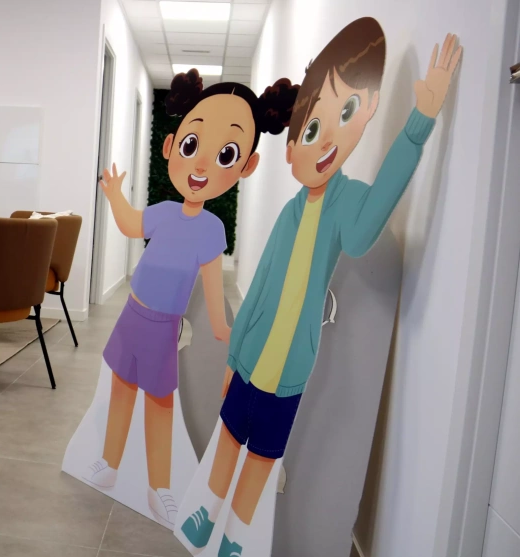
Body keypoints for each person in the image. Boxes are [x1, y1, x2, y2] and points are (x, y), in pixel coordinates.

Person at [179, 19, 462, 557]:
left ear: (368, 111)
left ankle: (235, 539)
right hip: (252, 357)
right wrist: (234, 359)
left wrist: (418, 125)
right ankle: (203, 515)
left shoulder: (345, 203)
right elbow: (259, 288)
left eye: (346, 113)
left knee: (262, 458)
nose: (326, 139)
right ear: (291, 150)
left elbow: (363, 234)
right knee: (228, 441)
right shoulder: (289, 212)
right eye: (311, 131)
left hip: (290, 370)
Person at [86, 69, 298, 527]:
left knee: (159, 403)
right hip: (132, 316)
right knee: (121, 388)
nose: (201, 165)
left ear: (246, 166)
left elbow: (213, 291)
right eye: (191, 146)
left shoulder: (212, 230)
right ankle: (109, 462)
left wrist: (229, 332)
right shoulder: (163, 212)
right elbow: (131, 224)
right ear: (170, 147)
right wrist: (114, 196)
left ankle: (159, 487)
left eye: (225, 154)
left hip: (164, 326)